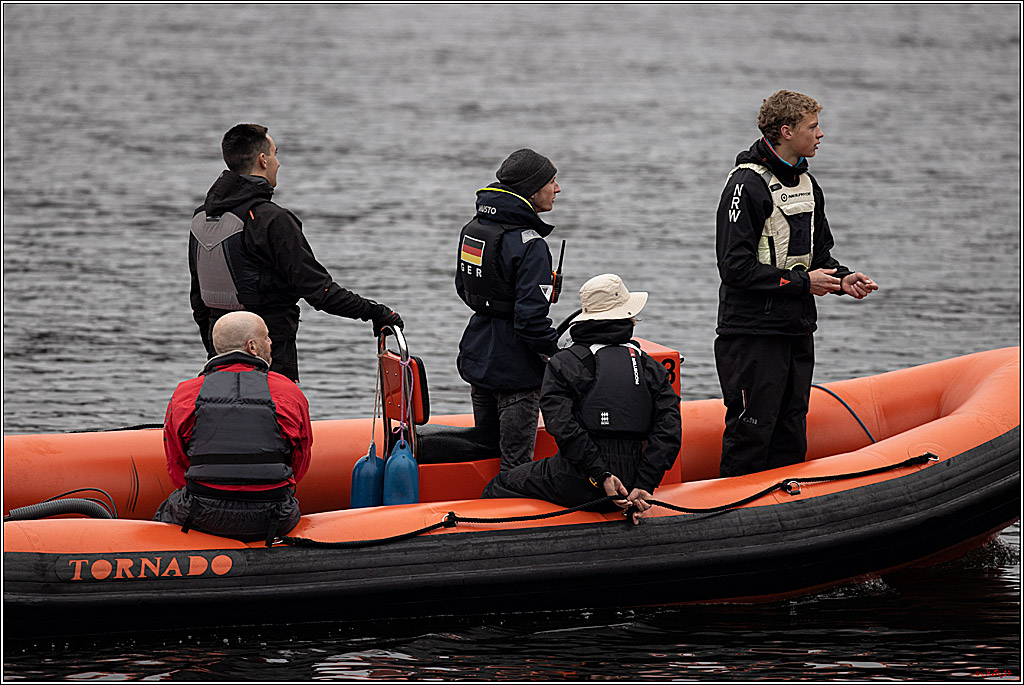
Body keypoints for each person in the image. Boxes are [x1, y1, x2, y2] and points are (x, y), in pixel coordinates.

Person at [715, 90, 879, 478]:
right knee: (751, 429)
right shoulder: (746, 185)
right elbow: (734, 268)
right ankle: (732, 521)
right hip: (751, 332)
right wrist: (804, 284)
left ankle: (783, 518)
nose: (821, 134)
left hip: (796, 328)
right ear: (786, 131)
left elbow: (819, 258)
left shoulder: (808, 184)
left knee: (791, 427)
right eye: (813, 126)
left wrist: (843, 279)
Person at [189, 123, 403, 383]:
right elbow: (320, 293)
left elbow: (198, 301)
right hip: (271, 355)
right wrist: (376, 312)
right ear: (263, 160)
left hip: (218, 356)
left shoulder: (201, 218)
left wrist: (215, 348)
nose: (279, 163)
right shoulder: (272, 220)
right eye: (276, 154)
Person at [482, 274, 682, 524]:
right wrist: (646, 483)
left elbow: (562, 428)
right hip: (633, 480)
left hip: (579, 480)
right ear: (627, 316)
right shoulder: (652, 367)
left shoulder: (563, 363)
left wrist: (602, 475)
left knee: (501, 483)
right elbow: (669, 431)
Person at [154, 311, 312, 543]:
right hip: (273, 515)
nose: (271, 342)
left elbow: (176, 464)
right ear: (252, 346)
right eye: (266, 337)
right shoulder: (288, 391)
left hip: (202, 514)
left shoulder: (186, 393)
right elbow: (300, 460)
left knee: (165, 512)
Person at [455, 149, 562, 471]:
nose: (557, 189)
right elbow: (530, 321)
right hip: (516, 371)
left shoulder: (474, 229)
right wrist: (559, 352)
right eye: (552, 181)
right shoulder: (531, 245)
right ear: (532, 191)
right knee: (515, 464)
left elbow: (465, 289)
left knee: (487, 450)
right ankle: (507, 512)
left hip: (479, 357)